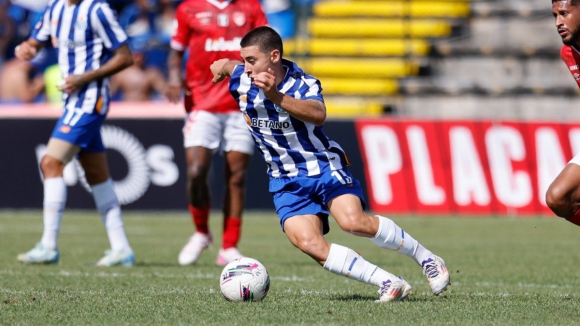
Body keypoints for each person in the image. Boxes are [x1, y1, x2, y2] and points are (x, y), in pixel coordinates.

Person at [209, 26, 451, 302]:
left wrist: (276, 97)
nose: (246, 67)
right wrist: (221, 66)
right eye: (244, 61)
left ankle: (428, 259)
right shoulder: (241, 77)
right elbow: (227, 66)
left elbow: (318, 114)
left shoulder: (303, 83)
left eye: (252, 60)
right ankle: (388, 282)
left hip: (322, 167)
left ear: (274, 56)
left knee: (353, 222)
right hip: (285, 180)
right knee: (307, 242)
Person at [15, 0, 135, 267]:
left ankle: (48, 245)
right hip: (71, 101)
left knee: (51, 162)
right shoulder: (55, 8)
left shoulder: (98, 10)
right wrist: (27, 48)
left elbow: (126, 57)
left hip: (90, 99)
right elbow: (36, 41)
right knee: (96, 174)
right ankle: (122, 248)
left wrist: (85, 77)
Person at [165, 0, 268, 266]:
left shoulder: (250, 7)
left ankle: (230, 245)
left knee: (236, 176)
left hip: (241, 103)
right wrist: (174, 76)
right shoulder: (189, 8)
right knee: (197, 170)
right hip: (201, 102)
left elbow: (267, 49)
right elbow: (175, 53)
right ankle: (201, 232)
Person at [546, 0, 580, 225]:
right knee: (558, 198)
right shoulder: (569, 53)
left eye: (564, 13)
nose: (559, 22)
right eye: (555, 15)